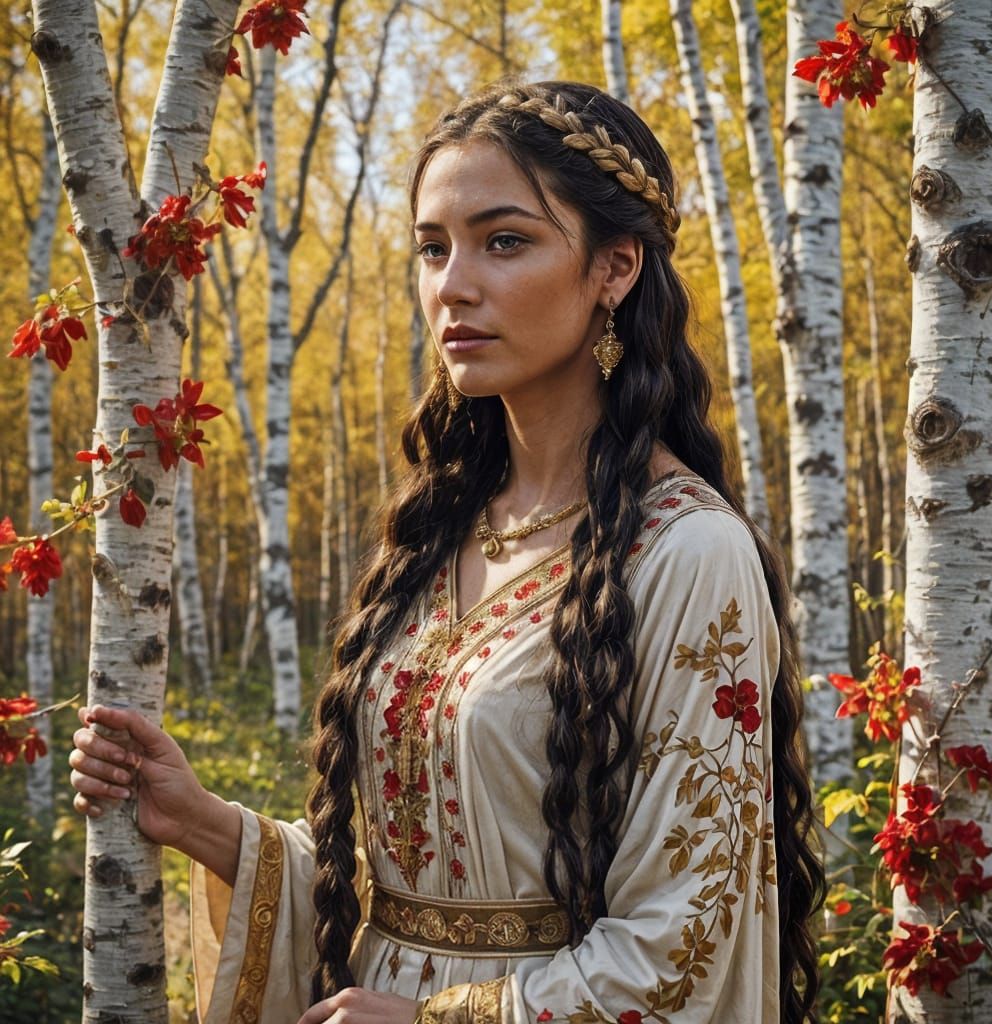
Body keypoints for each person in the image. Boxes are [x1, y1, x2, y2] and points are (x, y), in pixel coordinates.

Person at [70, 80, 824, 1024]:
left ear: (615, 267)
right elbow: (403, 902)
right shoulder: (436, 535)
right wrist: (208, 826)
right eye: (434, 248)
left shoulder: (686, 553)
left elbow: (684, 945)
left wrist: (437, 1021)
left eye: (503, 241)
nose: (452, 285)